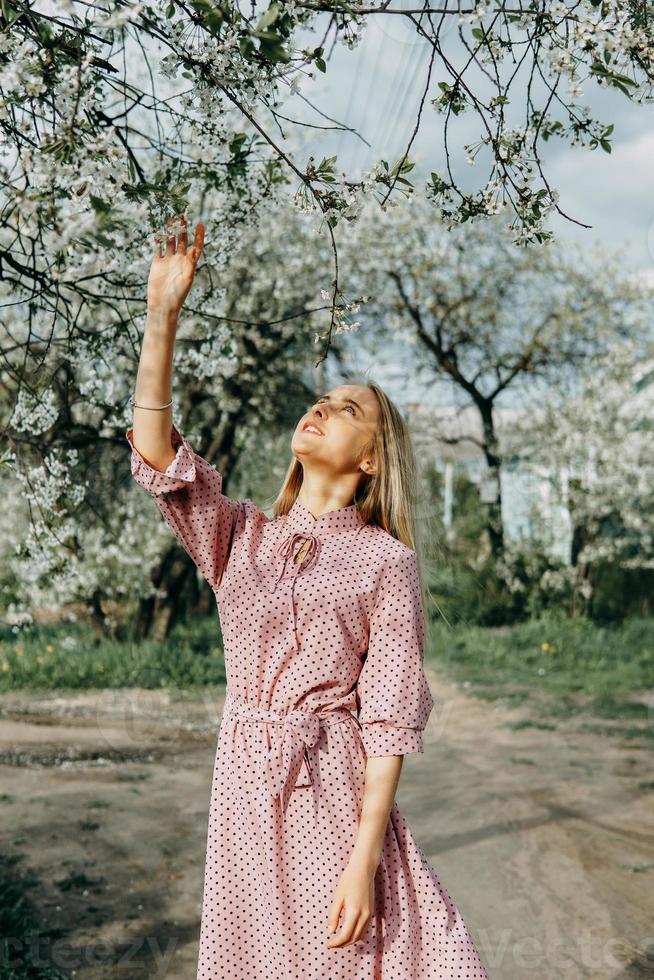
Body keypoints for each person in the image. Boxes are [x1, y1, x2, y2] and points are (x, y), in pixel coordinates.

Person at [126, 214, 489, 979]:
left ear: (371, 457)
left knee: (338, 963)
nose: (322, 408)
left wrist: (364, 860)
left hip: (331, 784)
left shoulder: (387, 562)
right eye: (323, 398)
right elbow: (159, 456)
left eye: (348, 410)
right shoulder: (241, 534)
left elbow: (387, 722)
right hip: (242, 785)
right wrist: (163, 317)